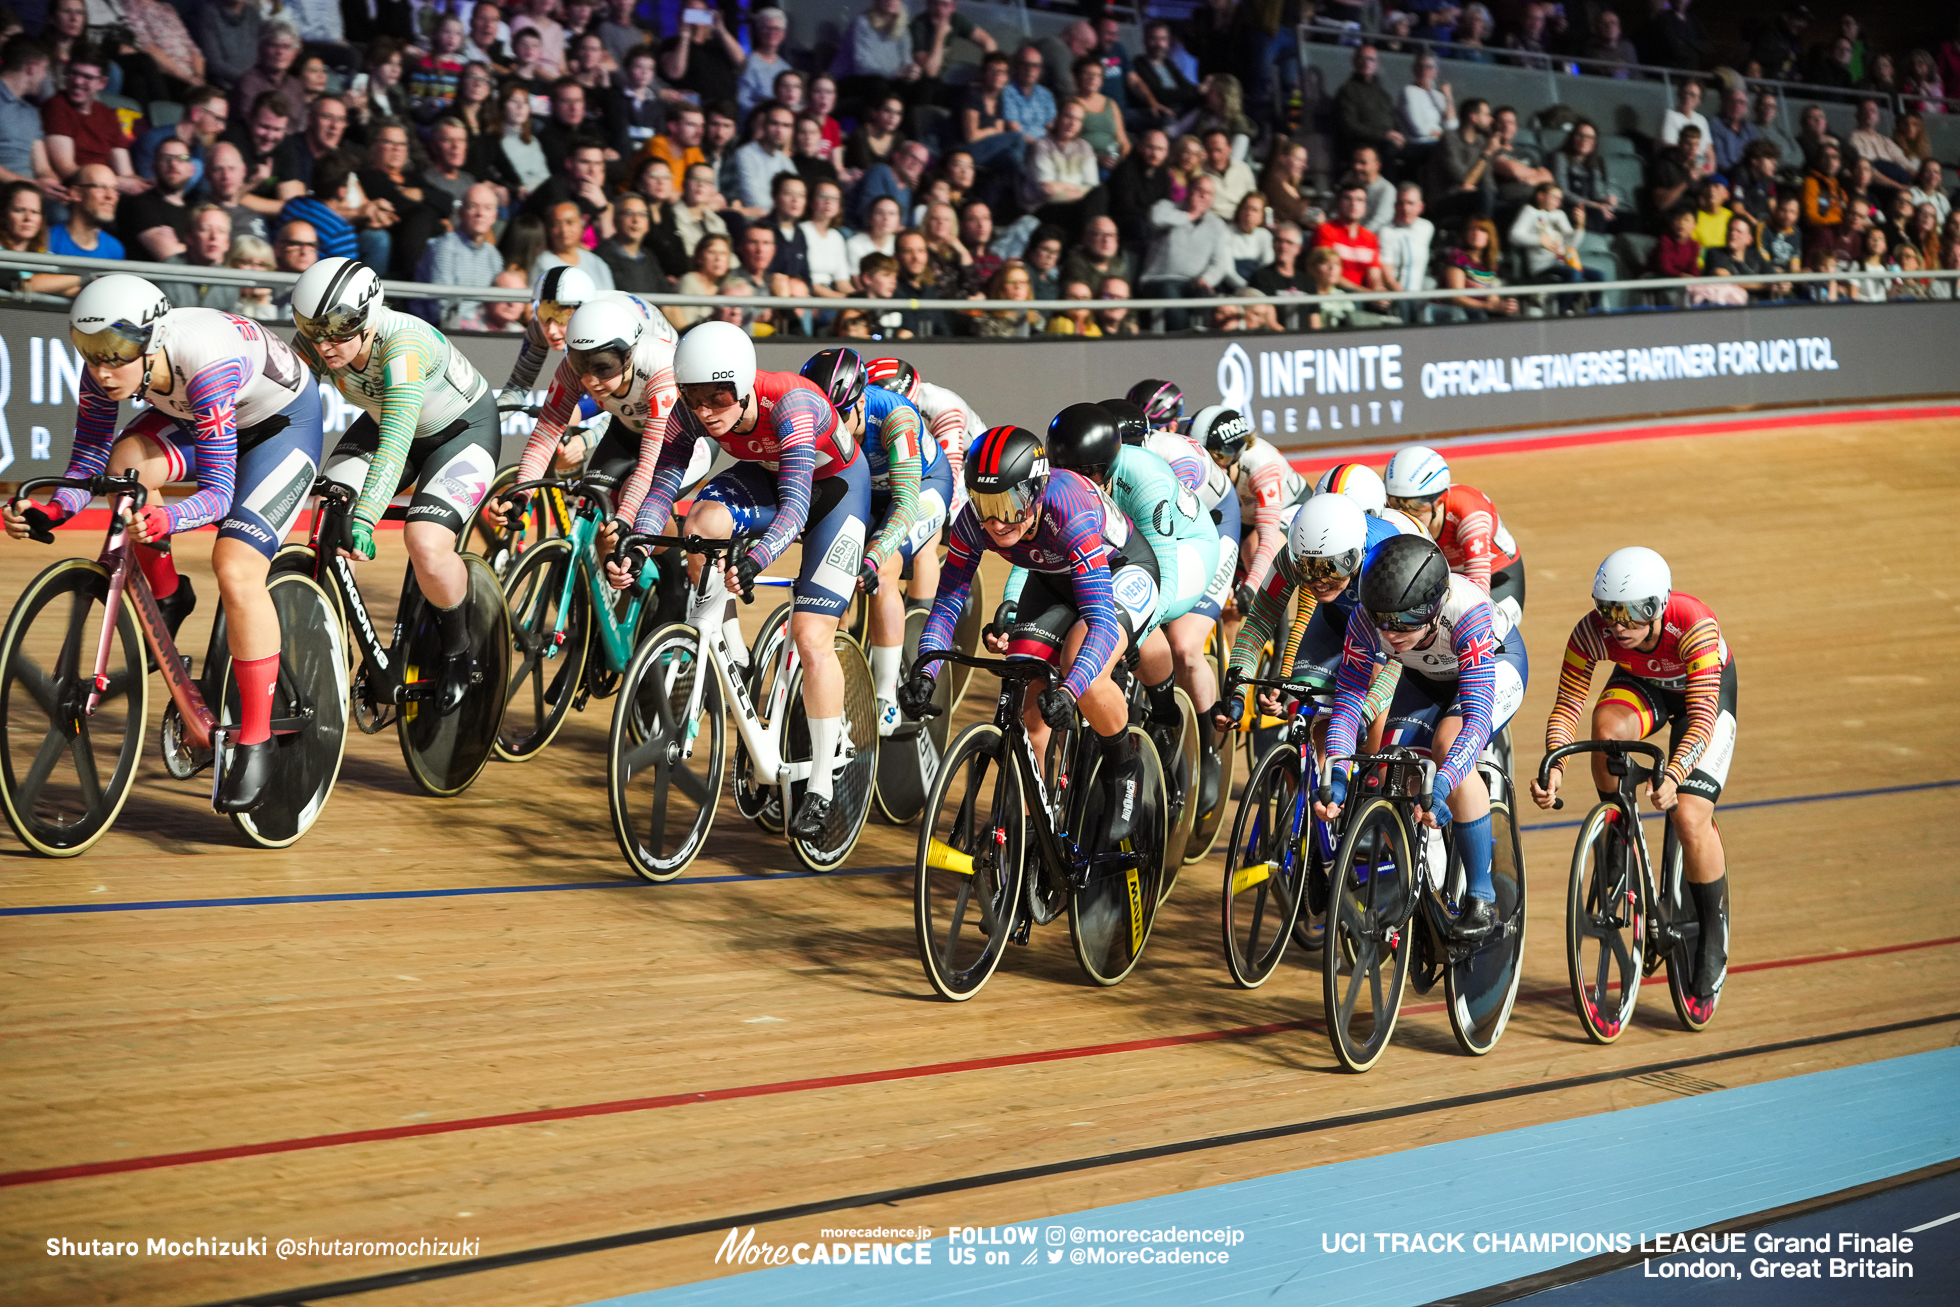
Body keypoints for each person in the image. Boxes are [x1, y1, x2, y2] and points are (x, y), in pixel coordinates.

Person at [5, 275, 325, 811]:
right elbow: (86, 469)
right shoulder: (105, 371)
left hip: (279, 427)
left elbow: (219, 494)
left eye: (117, 352)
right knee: (124, 467)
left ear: (150, 340)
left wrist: (168, 519)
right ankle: (168, 592)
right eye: (90, 352)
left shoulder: (204, 360)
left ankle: (256, 738)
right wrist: (48, 508)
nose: (104, 369)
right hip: (207, 421)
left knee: (237, 565)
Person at [618, 321, 871, 840]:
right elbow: (664, 483)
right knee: (700, 526)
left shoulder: (793, 407)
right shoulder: (690, 413)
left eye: (719, 396)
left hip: (834, 489)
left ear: (746, 382)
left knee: (810, 636)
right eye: (695, 398)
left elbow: (797, 505)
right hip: (770, 475)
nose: (707, 411)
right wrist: (639, 540)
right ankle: (733, 653)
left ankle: (821, 782)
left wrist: (756, 558)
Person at [901, 423, 1141, 843]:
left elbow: (1101, 622)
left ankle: (1125, 768)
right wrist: (926, 673)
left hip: (1120, 571)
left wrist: (1069, 689)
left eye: (1010, 503)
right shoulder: (973, 523)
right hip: (1052, 577)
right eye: (983, 502)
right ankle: (1037, 828)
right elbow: (947, 605)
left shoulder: (1068, 509)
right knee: (1025, 704)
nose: (995, 521)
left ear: (1035, 490)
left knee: (1081, 671)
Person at [1532, 547, 1735, 1015]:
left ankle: (1713, 934)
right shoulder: (1592, 632)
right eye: (1608, 611)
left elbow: (1702, 717)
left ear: (1659, 605)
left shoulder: (1694, 624)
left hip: (1702, 695)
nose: (1617, 625)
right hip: (1645, 684)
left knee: (1688, 813)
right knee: (1605, 733)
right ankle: (1618, 835)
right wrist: (1555, 765)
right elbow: (1568, 706)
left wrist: (1678, 773)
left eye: (1631, 612)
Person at [293, 258, 502, 715]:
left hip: (460, 431)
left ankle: (457, 650)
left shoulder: (402, 345)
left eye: (340, 331)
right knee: (327, 504)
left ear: (368, 320)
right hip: (385, 423)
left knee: (424, 541)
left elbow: (395, 442)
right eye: (313, 331)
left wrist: (366, 517)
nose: (325, 344)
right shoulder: (317, 339)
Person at [1315, 534, 1529, 942]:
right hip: (1426, 674)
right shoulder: (1366, 619)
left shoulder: (1467, 613)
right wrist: (1338, 774)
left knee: (1447, 747)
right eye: (1383, 620)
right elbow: (1347, 705)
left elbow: (1477, 719)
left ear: (1433, 607)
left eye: (1405, 621)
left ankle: (1482, 900)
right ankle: (1426, 883)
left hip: (1497, 663)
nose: (1391, 633)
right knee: (1397, 763)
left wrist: (1446, 781)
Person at [801, 349, 951, 734]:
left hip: (922, 487)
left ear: (860, 401)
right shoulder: (817, 417)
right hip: (865, 490)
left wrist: (876, 554)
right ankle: (841, 662)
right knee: (833, 569)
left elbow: (904, 503)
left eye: (839, 418)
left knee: (882, 568)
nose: (829, 430)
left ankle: (886, 697)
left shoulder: (895, 417)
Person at [489, 292, 681, 590]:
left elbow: (648, 465)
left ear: (627, 354)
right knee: (595, 511)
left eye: (602, 366)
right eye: (581, 364)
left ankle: (674, 577)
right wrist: (519, 498)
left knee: (632, 503)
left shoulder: (659, 369)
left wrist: (626, 520)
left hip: (678, 446)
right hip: (626, 432)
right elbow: (545, 436)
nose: (590, 379)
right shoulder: (571, 369)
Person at [1382, 445, 1524, 627]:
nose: (1405, 513)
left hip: (1497, 577)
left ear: (1441, 498)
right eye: (1395, 502)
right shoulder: (1392, 511)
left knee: (1483, 631)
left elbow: (1478, 588)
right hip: (1445, 577)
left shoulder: (1469, 511)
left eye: (1415, 505)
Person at [1139, 172, 1232, 331]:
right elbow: (1155, 219)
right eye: (1199, 190)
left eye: (1209, 193)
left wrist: (1207, 279)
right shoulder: (1166, 207)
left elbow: (1220, 262)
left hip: (1193, 284)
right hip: (1159, 279)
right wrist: (1191, 215)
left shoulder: (1217, 225)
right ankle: (1184, 343)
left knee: (1211, 304)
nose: (1203, 196)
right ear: (1189, 190)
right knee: (1173, 300)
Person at [417, 182, 503, 327]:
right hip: (442, 331)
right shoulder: (444, 247)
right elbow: (441, 307)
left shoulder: (494, 256)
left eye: (487, 208)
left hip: (480, 330)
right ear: (461, 213)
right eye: (473, 206)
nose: (480, 213)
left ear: (494, 216)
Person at [1332, 44, 1402, 170]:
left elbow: (1395, 118)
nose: (1367, 63)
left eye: (1371, 59)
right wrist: (1384, 135)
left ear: (1377, 64)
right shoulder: (1348, 91)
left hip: (1389, 141)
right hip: (1364, 143)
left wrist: (1401, 135)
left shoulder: (1383, 93)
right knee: (1387, 150)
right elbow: (1350, 126)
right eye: (1363, 58)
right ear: (1355, 61)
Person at [48, 161, 122, 260]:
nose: (111, 196)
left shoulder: (114, 249)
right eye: (100, 187)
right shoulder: (47, 240)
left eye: (115, 189)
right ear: (77, 193)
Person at [1060, 214, 1134, 296]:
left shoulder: (1119, 266)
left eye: (1111, 235)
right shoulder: (1075, 264)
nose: (1106, 240)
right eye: (1099, 234)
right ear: (1086, 238)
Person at [1400, 51, 1456, 147]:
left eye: (1429, 67)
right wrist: (1443, 134)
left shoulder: (1439, 96)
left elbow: (1452, 126)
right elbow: (1419, 130)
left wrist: (1448, 96)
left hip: (1439, 144)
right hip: (1419, 145)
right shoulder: (1409, 91)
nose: (1424, 71)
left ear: (1436, 72)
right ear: (1414, 70)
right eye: (1420, 67)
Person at [1660, 80, 1714, 179]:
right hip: (1678, 170)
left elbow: (1710, 154)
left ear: (1699, 100)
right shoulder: (1671, 115)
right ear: (1679, 94)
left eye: (1692, 95)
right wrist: (1695, 168)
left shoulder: (1701, 120)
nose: (1687, 97)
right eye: (1685, 93)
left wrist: (1706, 171)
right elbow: (1671, 148)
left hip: (1700, 171)